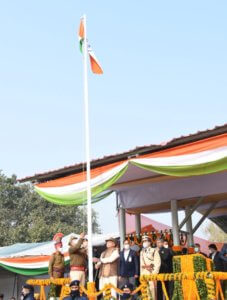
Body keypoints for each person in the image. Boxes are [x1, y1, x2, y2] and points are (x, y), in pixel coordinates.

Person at [140, 236, 161, 300]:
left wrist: (155, 273)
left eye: (145, 241)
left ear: (149, 242)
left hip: (152, 272)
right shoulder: (142, 252)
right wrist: (141, 274)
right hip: (144, 273)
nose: (144, 243)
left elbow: (158, 262)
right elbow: (141, 264)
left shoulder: (154, 250)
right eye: (143, 241)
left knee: (152, 289)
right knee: (145, 289)